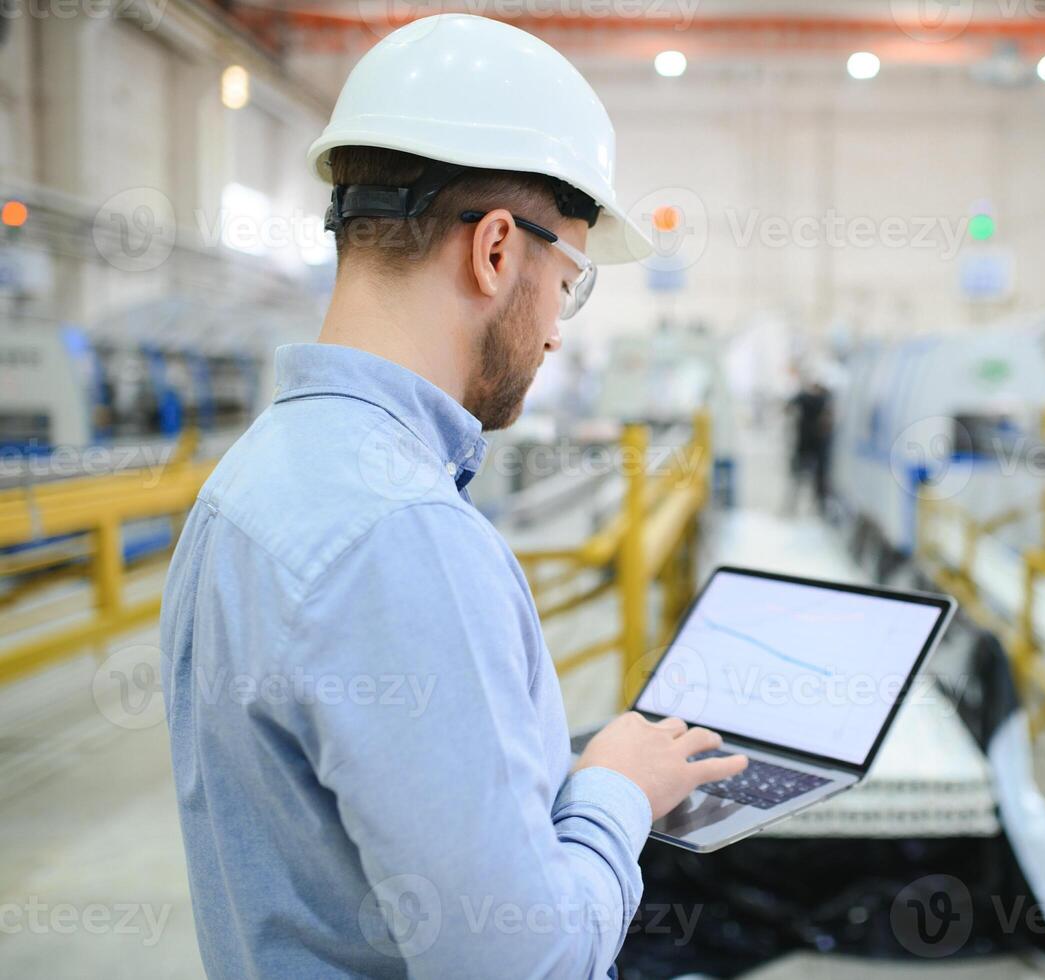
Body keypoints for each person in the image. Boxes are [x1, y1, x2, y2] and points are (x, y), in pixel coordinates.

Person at [158, 16, 746, 979]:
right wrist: (614, 794)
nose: (557, 332)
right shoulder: (405, 537)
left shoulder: (253, 479)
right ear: (496, 251)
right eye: (570, 282)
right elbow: (530, 964)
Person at [786, 375, 834, 517]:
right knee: (817, 479)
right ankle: (819, 509)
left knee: (800, 478)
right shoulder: (824, 399)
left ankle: (794, 507)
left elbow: (787, 408)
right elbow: (828, 419)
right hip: (817, 444)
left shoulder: (803, 397)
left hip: (806, 443)